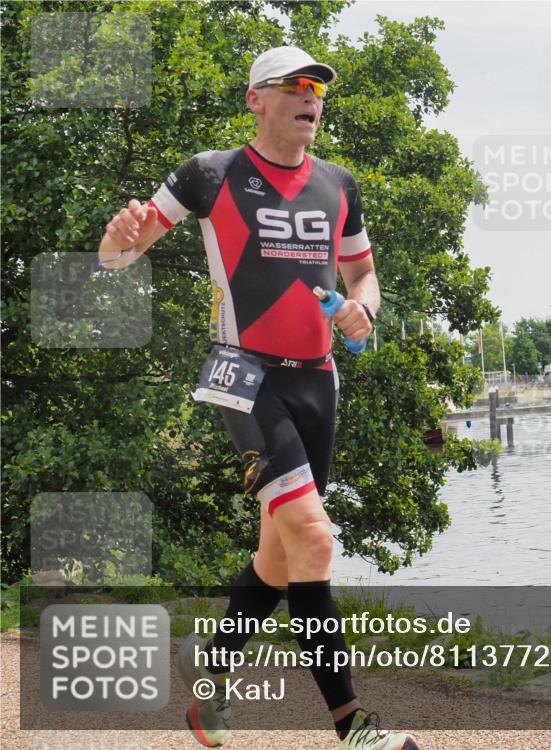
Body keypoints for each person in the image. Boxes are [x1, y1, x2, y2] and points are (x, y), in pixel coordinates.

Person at [98, 46, 418, 750]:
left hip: (317, 378)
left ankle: (209, 666)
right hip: (241, 373)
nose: (312, 97)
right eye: (297, 86)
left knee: (283, 553)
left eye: (319, 89)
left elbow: (364, 277)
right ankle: (351, 726)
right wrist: (118, 242)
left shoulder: (339, 184)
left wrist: (364, 309)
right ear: (257, 100)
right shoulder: (212, 174)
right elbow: (121, 252)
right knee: (315, 536)